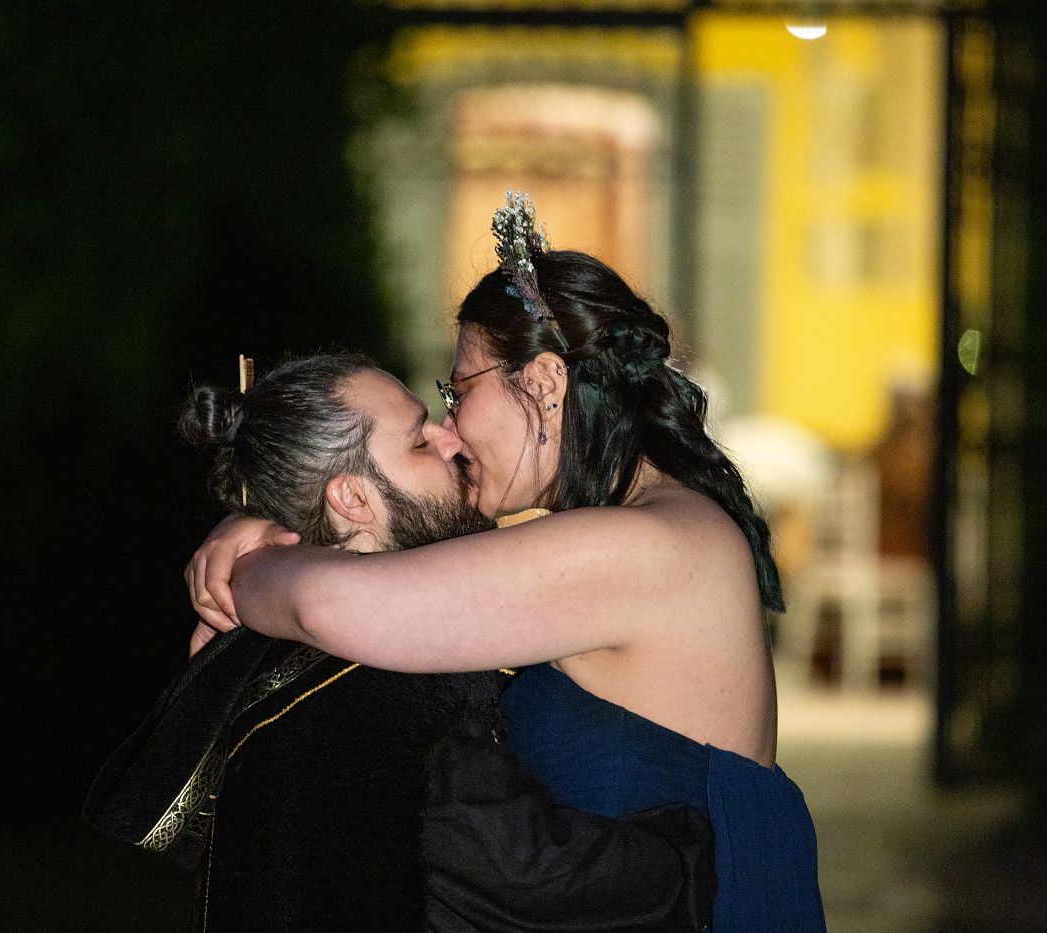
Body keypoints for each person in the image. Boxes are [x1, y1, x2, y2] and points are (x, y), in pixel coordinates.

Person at [185, 194, 827, 932]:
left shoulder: (642, 545)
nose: (452, 428)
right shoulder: (628, 529)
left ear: (544, 385)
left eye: (457, 391)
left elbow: (330, 605)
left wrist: (245, 567)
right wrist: (259, 522)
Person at [88, 351, 714, 933]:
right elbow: (536, 877)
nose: (451, 439)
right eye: (419, 441)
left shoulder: (270, 651)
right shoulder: (398, 678)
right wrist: (697, 850)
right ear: (352, 498)